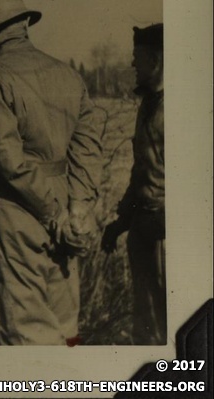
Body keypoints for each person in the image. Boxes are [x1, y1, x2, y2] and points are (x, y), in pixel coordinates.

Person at [0, 0, 103, 345]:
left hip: (20, 207)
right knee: (65, 317)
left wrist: (51, 213)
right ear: (26, 23)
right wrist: (78, 209)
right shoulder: (67, 74)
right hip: (65, 198)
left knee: (26, 320)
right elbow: (88, 147)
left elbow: (9, 160)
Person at [101, 24, 165, 345]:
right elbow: (142, 171)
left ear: (156, 59)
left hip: (166, 234)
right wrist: (121, 223)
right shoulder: (148, 105)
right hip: (145, 230)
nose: (132, 65)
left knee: (174, 323)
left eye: (137, 58)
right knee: (148, 325)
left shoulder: (177, 110)